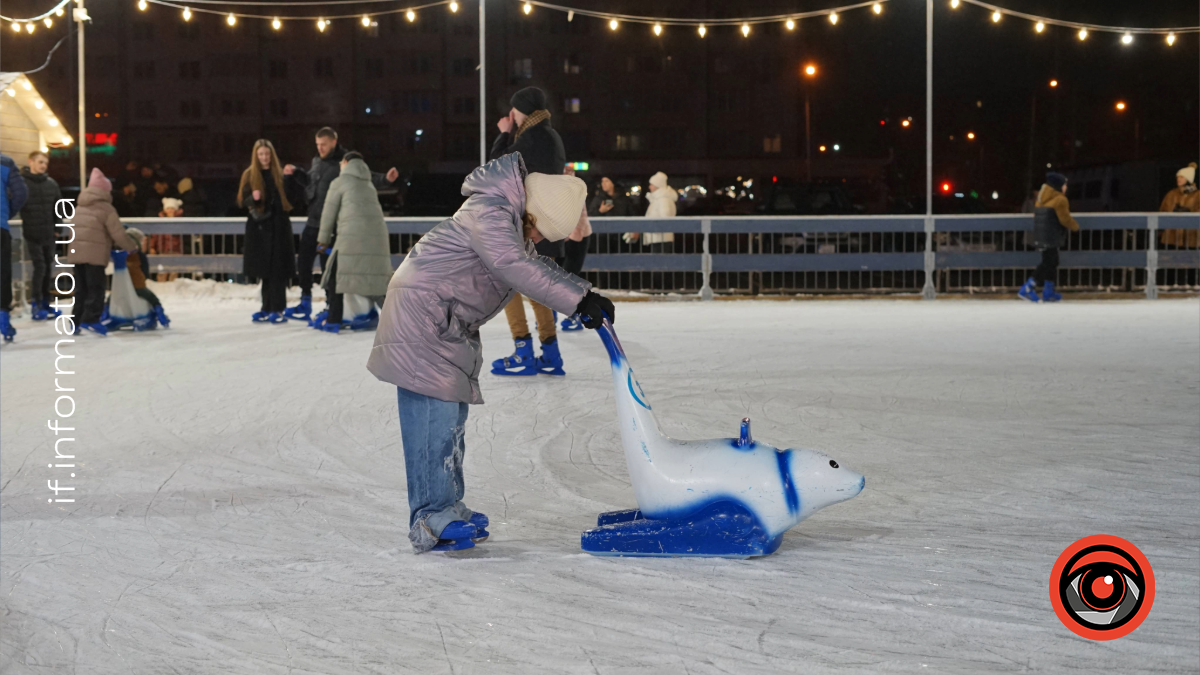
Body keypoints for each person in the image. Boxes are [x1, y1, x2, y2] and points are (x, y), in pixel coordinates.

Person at [367, 153, 615, 553]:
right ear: (532, 213)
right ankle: (431, 517)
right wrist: (577, 301)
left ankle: (447, 506)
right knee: (433, 422)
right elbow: (515, 264)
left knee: (449, 421)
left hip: (442, 318)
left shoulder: (504, 218)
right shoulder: (491, 212)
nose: (535, 240)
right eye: (539, 232)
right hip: (423, 316)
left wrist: (585, 295)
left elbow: (534, 265)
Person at [488, 86, 572, 373]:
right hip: (547, 225)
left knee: (507, 284)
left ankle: (523, 351)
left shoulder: (532, 137)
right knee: (538, 291)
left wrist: (504, 131)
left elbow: (497, 166)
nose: (511, 114)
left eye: (514, 109)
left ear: (522, 109)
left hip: (528, 225)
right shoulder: (551, 136)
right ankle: (551, 354)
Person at [282, 127, 399, 320]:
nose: (319, 148)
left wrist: (386, 179)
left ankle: (331, 306)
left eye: (323, 145)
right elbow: (310, 182)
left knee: (328, 267)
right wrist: (296, 173)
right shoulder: (317, 161)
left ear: (333, 142)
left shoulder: (346, 161)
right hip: (313, 220)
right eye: (317, 145)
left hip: (333, 226)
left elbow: (366, 177)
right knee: (303, 263)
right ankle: (305, 302)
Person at [313, 152, 394, 333]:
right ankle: (398, 318)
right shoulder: (369, 185)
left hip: (350, 238)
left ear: (346, 163)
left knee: (335, 276)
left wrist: (322, 241)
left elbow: (328, 215)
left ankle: (334, 319)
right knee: (374, 280)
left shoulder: (339, 182)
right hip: (377, 240)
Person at [68, 168, 139, 336]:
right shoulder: (106, 209)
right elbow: (118, 233)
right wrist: (131, 247)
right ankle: (91, 320)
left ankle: (75, 321)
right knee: (96, 288)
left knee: (81, 289)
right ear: (104, 191)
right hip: (94, 255)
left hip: (76, 254)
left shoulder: (80, 206)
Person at [238, 139, 296, 324]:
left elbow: (292, 198)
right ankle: (266, 306)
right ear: (256, 156)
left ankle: (277, 308)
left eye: (267, 154)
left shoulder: (279, 174)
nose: (264, 158)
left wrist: (290, 179)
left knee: (277, 269)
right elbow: (241, 200)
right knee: (265, 270)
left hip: (278, 226)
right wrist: (253, 199)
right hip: (260, 228)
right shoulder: (249, 174)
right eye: (261, 154)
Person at [1019, 172, 1078, 303]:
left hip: (1041, 234)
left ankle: (1048, 290)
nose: (1066, 188)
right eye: (1064, 185)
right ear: (1058, 186)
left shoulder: (1041, 198)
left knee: (1052, 261)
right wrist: (1076, 227)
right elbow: (1065, 219)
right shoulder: (1060, 199)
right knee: (1048, 262)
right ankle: (1028, 287)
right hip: (1052, 234)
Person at [20, 151, 63, 321]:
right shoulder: (22, 183)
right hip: (32, 232)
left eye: (45, 162)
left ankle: (46, 302)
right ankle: (36, 304)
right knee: (40, 268)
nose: (43, 165)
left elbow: (58, 205)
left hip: (49, 233)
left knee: (47, 268)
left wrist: (57, 227)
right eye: (40, 162)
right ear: (31, 162)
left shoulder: (51, 184)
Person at [559, 166, 594, 331]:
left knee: (570, 279)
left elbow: (578, 215)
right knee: (555, 277)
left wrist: (573, 237)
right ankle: (549, 315)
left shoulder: (574, 188)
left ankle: (575, 316)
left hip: (576, 236)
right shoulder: (562, 187)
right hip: (561, 237)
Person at [1, 153, 29, 341]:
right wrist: (6, 214)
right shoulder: (5, 162)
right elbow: (21, 193)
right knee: (2, 273)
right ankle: (3, 320)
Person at [123, 227, 171, 327]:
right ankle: (161, 315)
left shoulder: (120, 254)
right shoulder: (139, 255)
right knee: (152, 298)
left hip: (121, 287)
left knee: (110, 299)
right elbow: (145, 271)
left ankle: (105, 313)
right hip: (138, 286)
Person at [624, 171, 677, 251]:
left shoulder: (663, 200)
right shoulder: (659, 200)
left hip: (661, 240)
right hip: (658, 239)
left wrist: (645, 228)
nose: (649, 187)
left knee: (660, 262)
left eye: (651, 184)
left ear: (657, 185)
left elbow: (665, 221)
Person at [1159, 162, 1199, 249]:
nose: (1178, 179)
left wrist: (1189, 213)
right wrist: (1173, 212)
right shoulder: (1171, 194)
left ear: (1188, 179)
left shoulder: (1198, 195)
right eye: (1177, 177)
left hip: (1191, 235)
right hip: (1172, 234)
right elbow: (1163, 210)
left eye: (1181, 177)